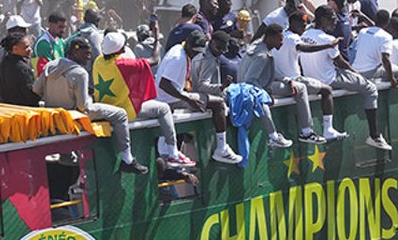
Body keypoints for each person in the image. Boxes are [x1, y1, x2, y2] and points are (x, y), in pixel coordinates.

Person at [34, 37, 147, 175]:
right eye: (86, 53)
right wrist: (89, 97)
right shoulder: (80, 73)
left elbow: (36, 89)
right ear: (75, 53)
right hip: (75, 116)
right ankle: (127, 159)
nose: (89, 57)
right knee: (121, 114)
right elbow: (83, 106)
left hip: (55, 116)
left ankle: (67, 155)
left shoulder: (51, 65)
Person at [93, 31, 194, 168]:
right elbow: (154, 60)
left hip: (107, 108)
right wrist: (157, 39)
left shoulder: (98, 61)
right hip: (122, 109)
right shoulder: (123, 64)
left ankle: (172, 152)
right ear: (121, 49)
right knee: (163, 108)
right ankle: (173, 153)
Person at [298, 5, 392, 151]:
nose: (335, 22)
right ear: (322, 20)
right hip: (329, 78)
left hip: (311, 78)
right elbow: (341, 62)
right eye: (332, 19)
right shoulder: (328, 39)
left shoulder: (304, 34)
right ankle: (374, 136)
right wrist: (356, 73)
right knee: (371, 88)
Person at [154, 31, 244, 165]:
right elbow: (164, 84)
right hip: (169, 100)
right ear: (189, 45)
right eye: (194, 51)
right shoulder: (178, 58)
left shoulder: (180, 48)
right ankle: (221, 148)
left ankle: (173, 152)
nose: (196, 55)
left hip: (172, 96)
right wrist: (187, 99)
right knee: (218, 104)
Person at [352, 11, 398, 120]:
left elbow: (374, 32)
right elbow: (385, 60)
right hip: (370, 71)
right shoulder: (386, 37)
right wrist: (392, 78)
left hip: (356, 70)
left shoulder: (362, 31)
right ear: (387, 23)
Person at [0, 33, 40, 107]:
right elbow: (31, 97)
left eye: (29, 46)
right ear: (15, 49)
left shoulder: (4, 63)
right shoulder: (23, 68)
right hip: (23, 111)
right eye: (26, 47)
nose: (30, 49)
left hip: (9, 109)